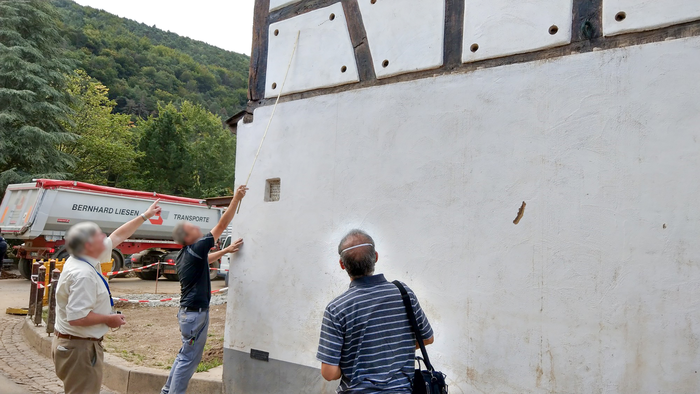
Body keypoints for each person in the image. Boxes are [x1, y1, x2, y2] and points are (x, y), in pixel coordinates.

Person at [52, 199, 162, 394]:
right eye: (98, 235)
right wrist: (108, 319)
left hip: (77, 345)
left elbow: (119, 234)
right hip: (80, 349)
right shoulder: (83, 275)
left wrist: (146, 215)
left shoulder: (82, 258)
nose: (104, 237)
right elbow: (77, 317)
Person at [317, 229, 435, 393]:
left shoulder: (337, 308)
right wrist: (392, 353)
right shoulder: (403, 293)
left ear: (342, 264)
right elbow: (427, 338)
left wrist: (357, 361)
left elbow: (329, 373)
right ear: (376, 257)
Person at [162, 185, 248, 394]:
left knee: (184, 354)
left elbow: (206, 260)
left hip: (187, 314)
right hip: (195, 315)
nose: (197, 229)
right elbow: (222, 223)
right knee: (189, 359)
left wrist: (225, 250)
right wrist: (236, 199)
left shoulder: (184, 254)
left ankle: (166, 391)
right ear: (187, 237)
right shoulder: (197, 247)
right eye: (192, 229)